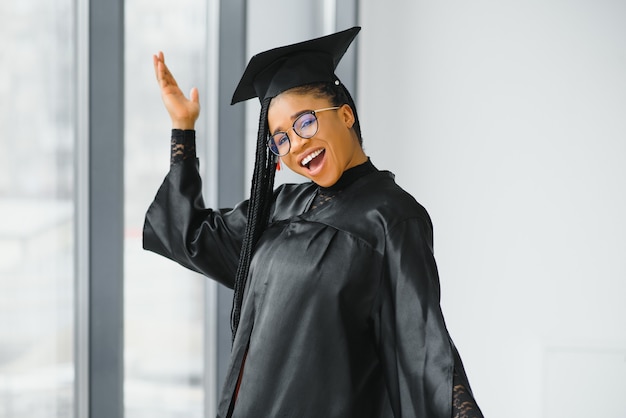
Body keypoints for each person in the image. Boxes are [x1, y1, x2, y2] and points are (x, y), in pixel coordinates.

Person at [144, 26, 483, 418]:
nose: (296, 144)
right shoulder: (280, 206)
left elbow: (421, 346)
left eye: (305, 123)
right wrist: (182, 128)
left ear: (345, 114)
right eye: (281, 139)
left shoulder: (391, 218)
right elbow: (191, 235)